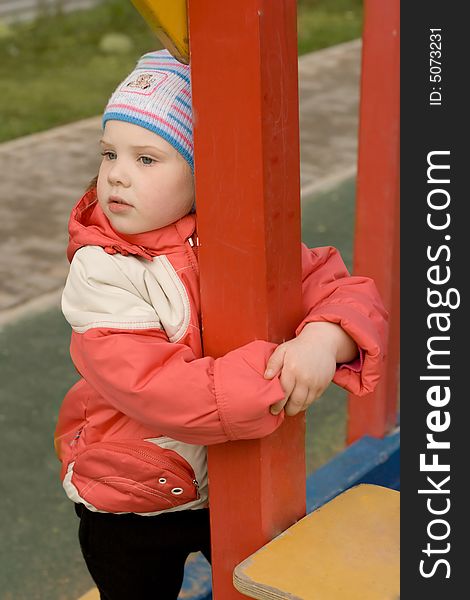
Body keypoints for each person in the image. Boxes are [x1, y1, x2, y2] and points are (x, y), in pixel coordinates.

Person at [54, 49, 388, 600]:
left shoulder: (239, 240)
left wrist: (323, 339)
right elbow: (156, 387)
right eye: (109, 153)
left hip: (232, 483)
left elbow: (341, 291)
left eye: (146, 159)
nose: (116, 174)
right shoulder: (102, 270)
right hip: (129, 496)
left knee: (257, 580)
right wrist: (279, 378)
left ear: (203, 171)